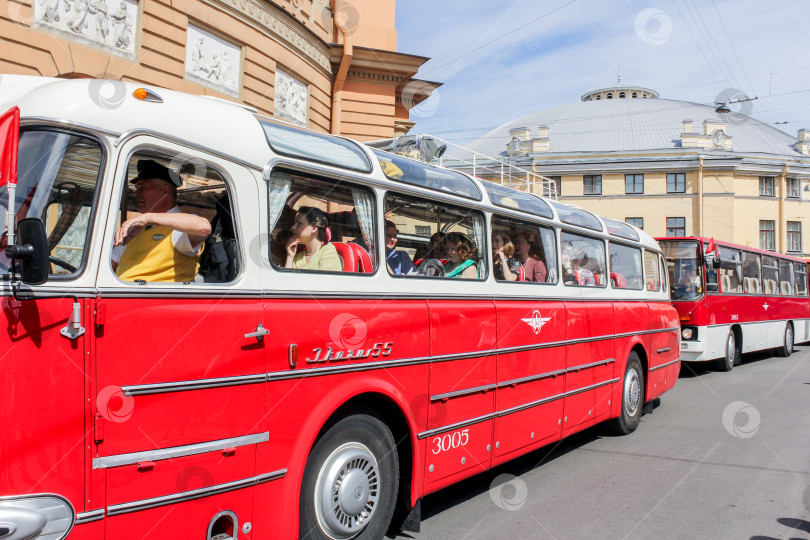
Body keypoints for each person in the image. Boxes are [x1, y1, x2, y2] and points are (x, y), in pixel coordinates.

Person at [113, 159, 211, 282]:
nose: (135, 194)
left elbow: (203, 227)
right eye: (136, 188)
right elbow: (110, 265)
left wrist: (148, 217)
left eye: (143, 188)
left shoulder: (180, 227)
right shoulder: (137, 227)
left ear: (165, 191)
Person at [285, 206, 342, 271]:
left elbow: (326, 280)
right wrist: (290, 257)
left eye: (299, 223)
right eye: (295, 223)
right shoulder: (298, 257)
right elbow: (288, 279)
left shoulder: (327, 250)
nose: (293, 227)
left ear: (314, 228)